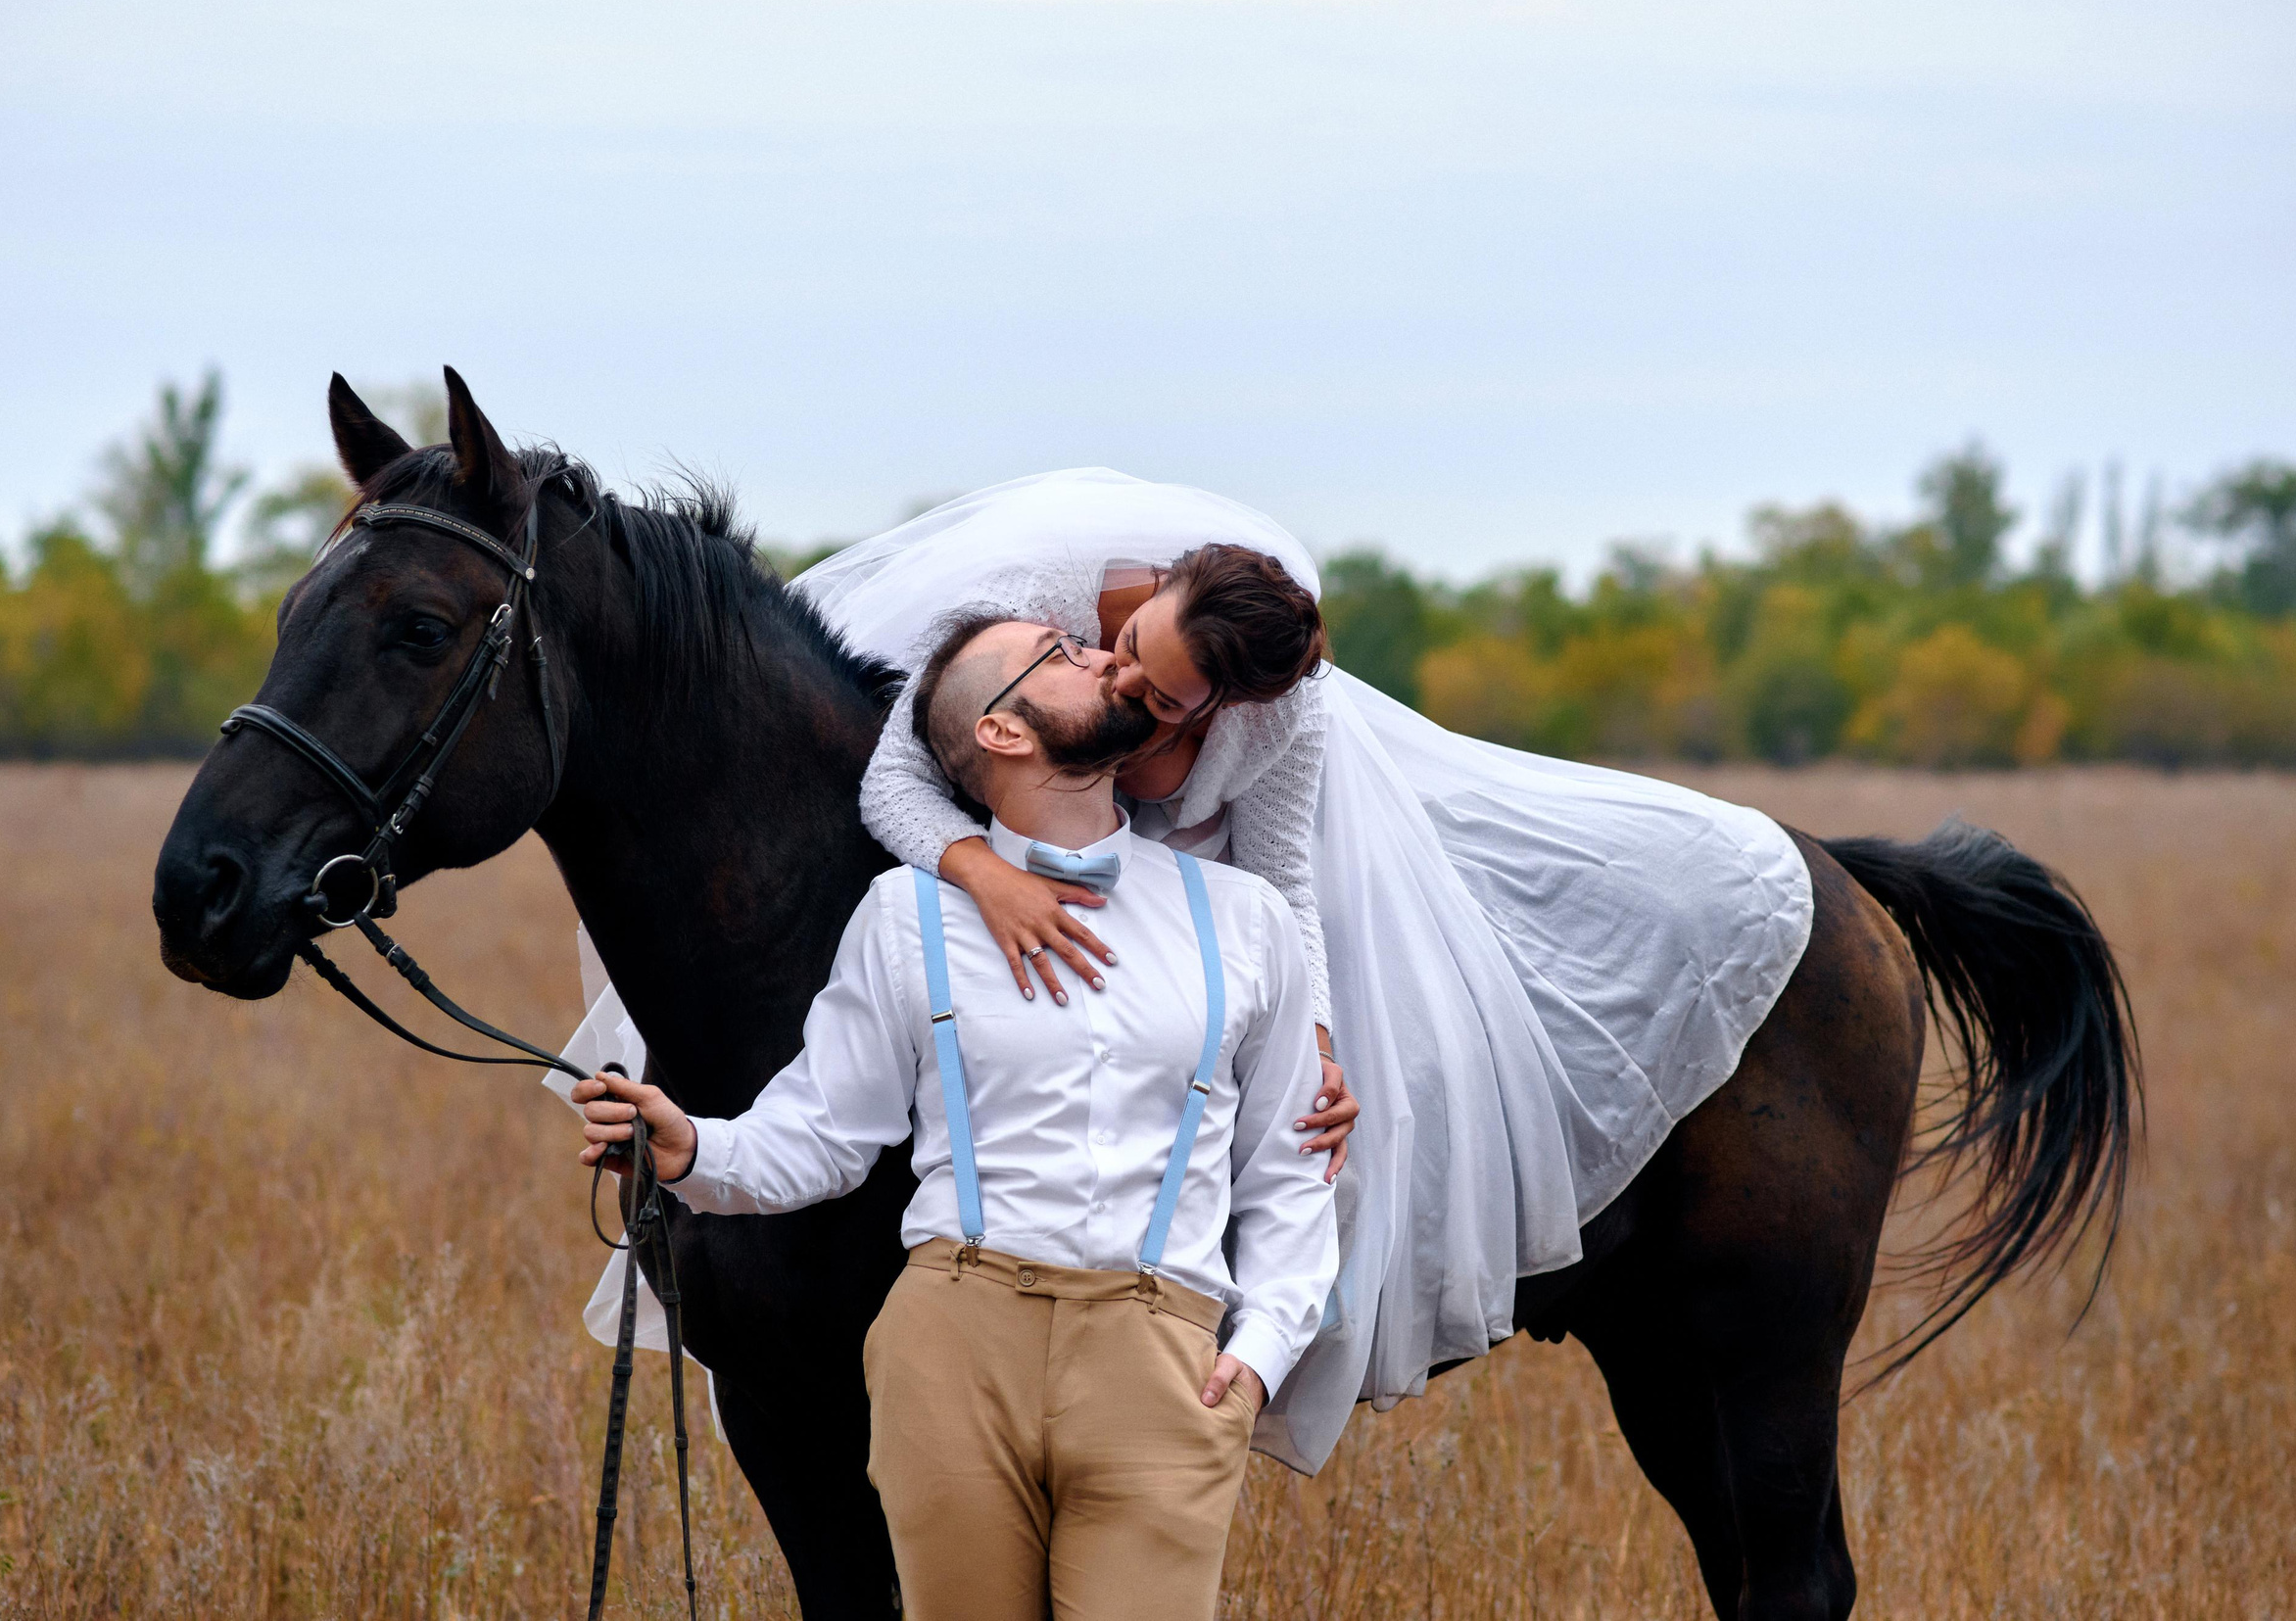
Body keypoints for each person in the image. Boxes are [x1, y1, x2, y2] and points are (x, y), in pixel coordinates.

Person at [789, 468, 1816, 1474]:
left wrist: (1314, 1044)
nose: (1126, 686)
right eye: (1133, 647)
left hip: (1201, 895)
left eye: (1168, 700)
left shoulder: (1279, 717)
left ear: (1226, 704)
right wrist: (983, 876)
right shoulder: (1042, 606)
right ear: (1154, 587)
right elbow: (897, 776)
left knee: (1308, 1120)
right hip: (1017, 855)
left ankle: (1215, 1346)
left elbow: (1283, 881)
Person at [572, 612, 1339, 1621]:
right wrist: (694, 1147)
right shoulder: (906, 916)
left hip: (1161, 1356)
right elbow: (822, 1128)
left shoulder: (1243, 918)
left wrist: (1265, 1343)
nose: (1104, 656)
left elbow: (1291, 1161)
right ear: (1002, 731)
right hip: (952, 1346)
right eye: (1061, 656)